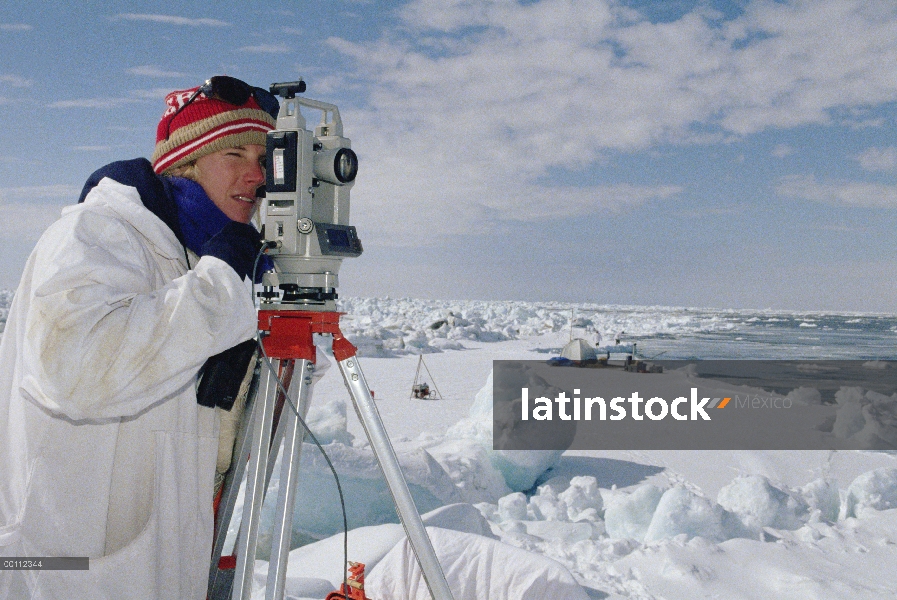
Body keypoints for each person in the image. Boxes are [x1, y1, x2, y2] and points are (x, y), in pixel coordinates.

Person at [0, 76, 278, 598]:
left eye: (264, 159)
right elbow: (75, 371)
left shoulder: (195, 261)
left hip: (159, 565)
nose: (255, 175)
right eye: (234, 153)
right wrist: (218, 287)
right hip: (70, 571)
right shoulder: (97, 233)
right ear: (185, 163)